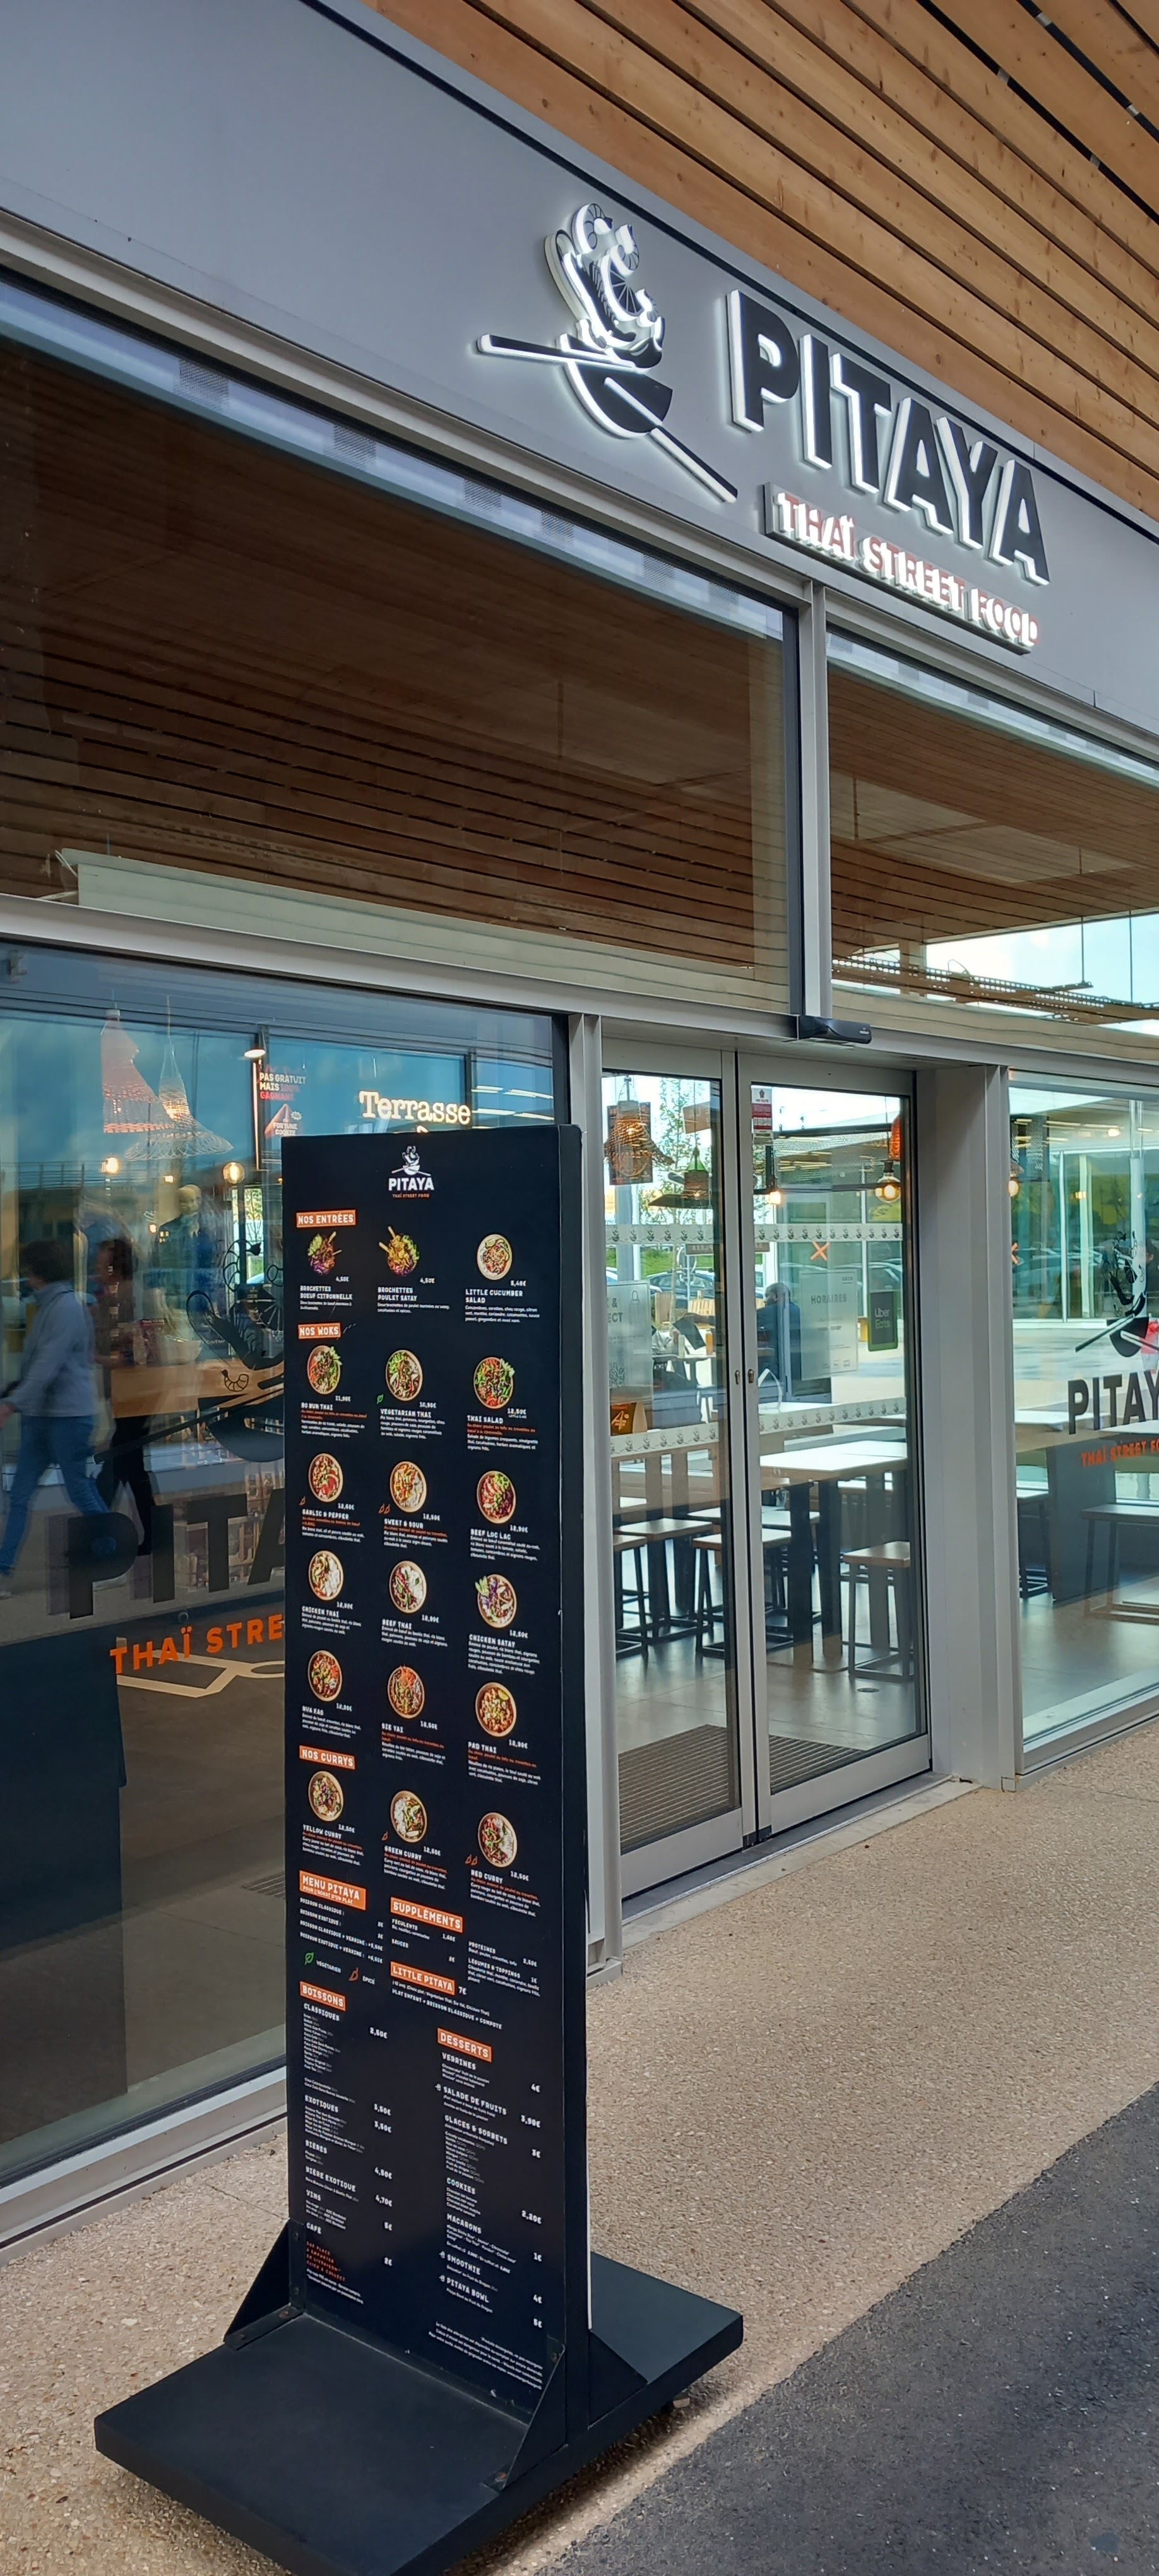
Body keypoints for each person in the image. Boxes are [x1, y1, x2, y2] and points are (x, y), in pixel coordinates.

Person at [0, 1239, 113, 1583]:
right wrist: (16, 1395)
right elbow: (41, 1365)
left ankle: (112, 1556)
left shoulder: (64, 1309)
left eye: (27, 1270)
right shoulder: (51, 1306)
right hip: (44, 1416)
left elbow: (47, 1365)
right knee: (21, 1494)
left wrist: (12, 1404)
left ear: (38, 1272)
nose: (24, 1276)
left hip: (67, 1418)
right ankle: (4, 1567)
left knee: (78, 1489)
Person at [93, 1237, 155, 1554]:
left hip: (135, 1395)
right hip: (126, 1395)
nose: (97, 1270)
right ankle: (151, 1534)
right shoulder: (115, 1297)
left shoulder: (131, 1297)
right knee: (127, 1466)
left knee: (120, 1464)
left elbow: (134, 1354)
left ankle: (95, 1533)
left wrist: (96, 1358)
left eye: (102, 1264)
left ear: (115, 1268)